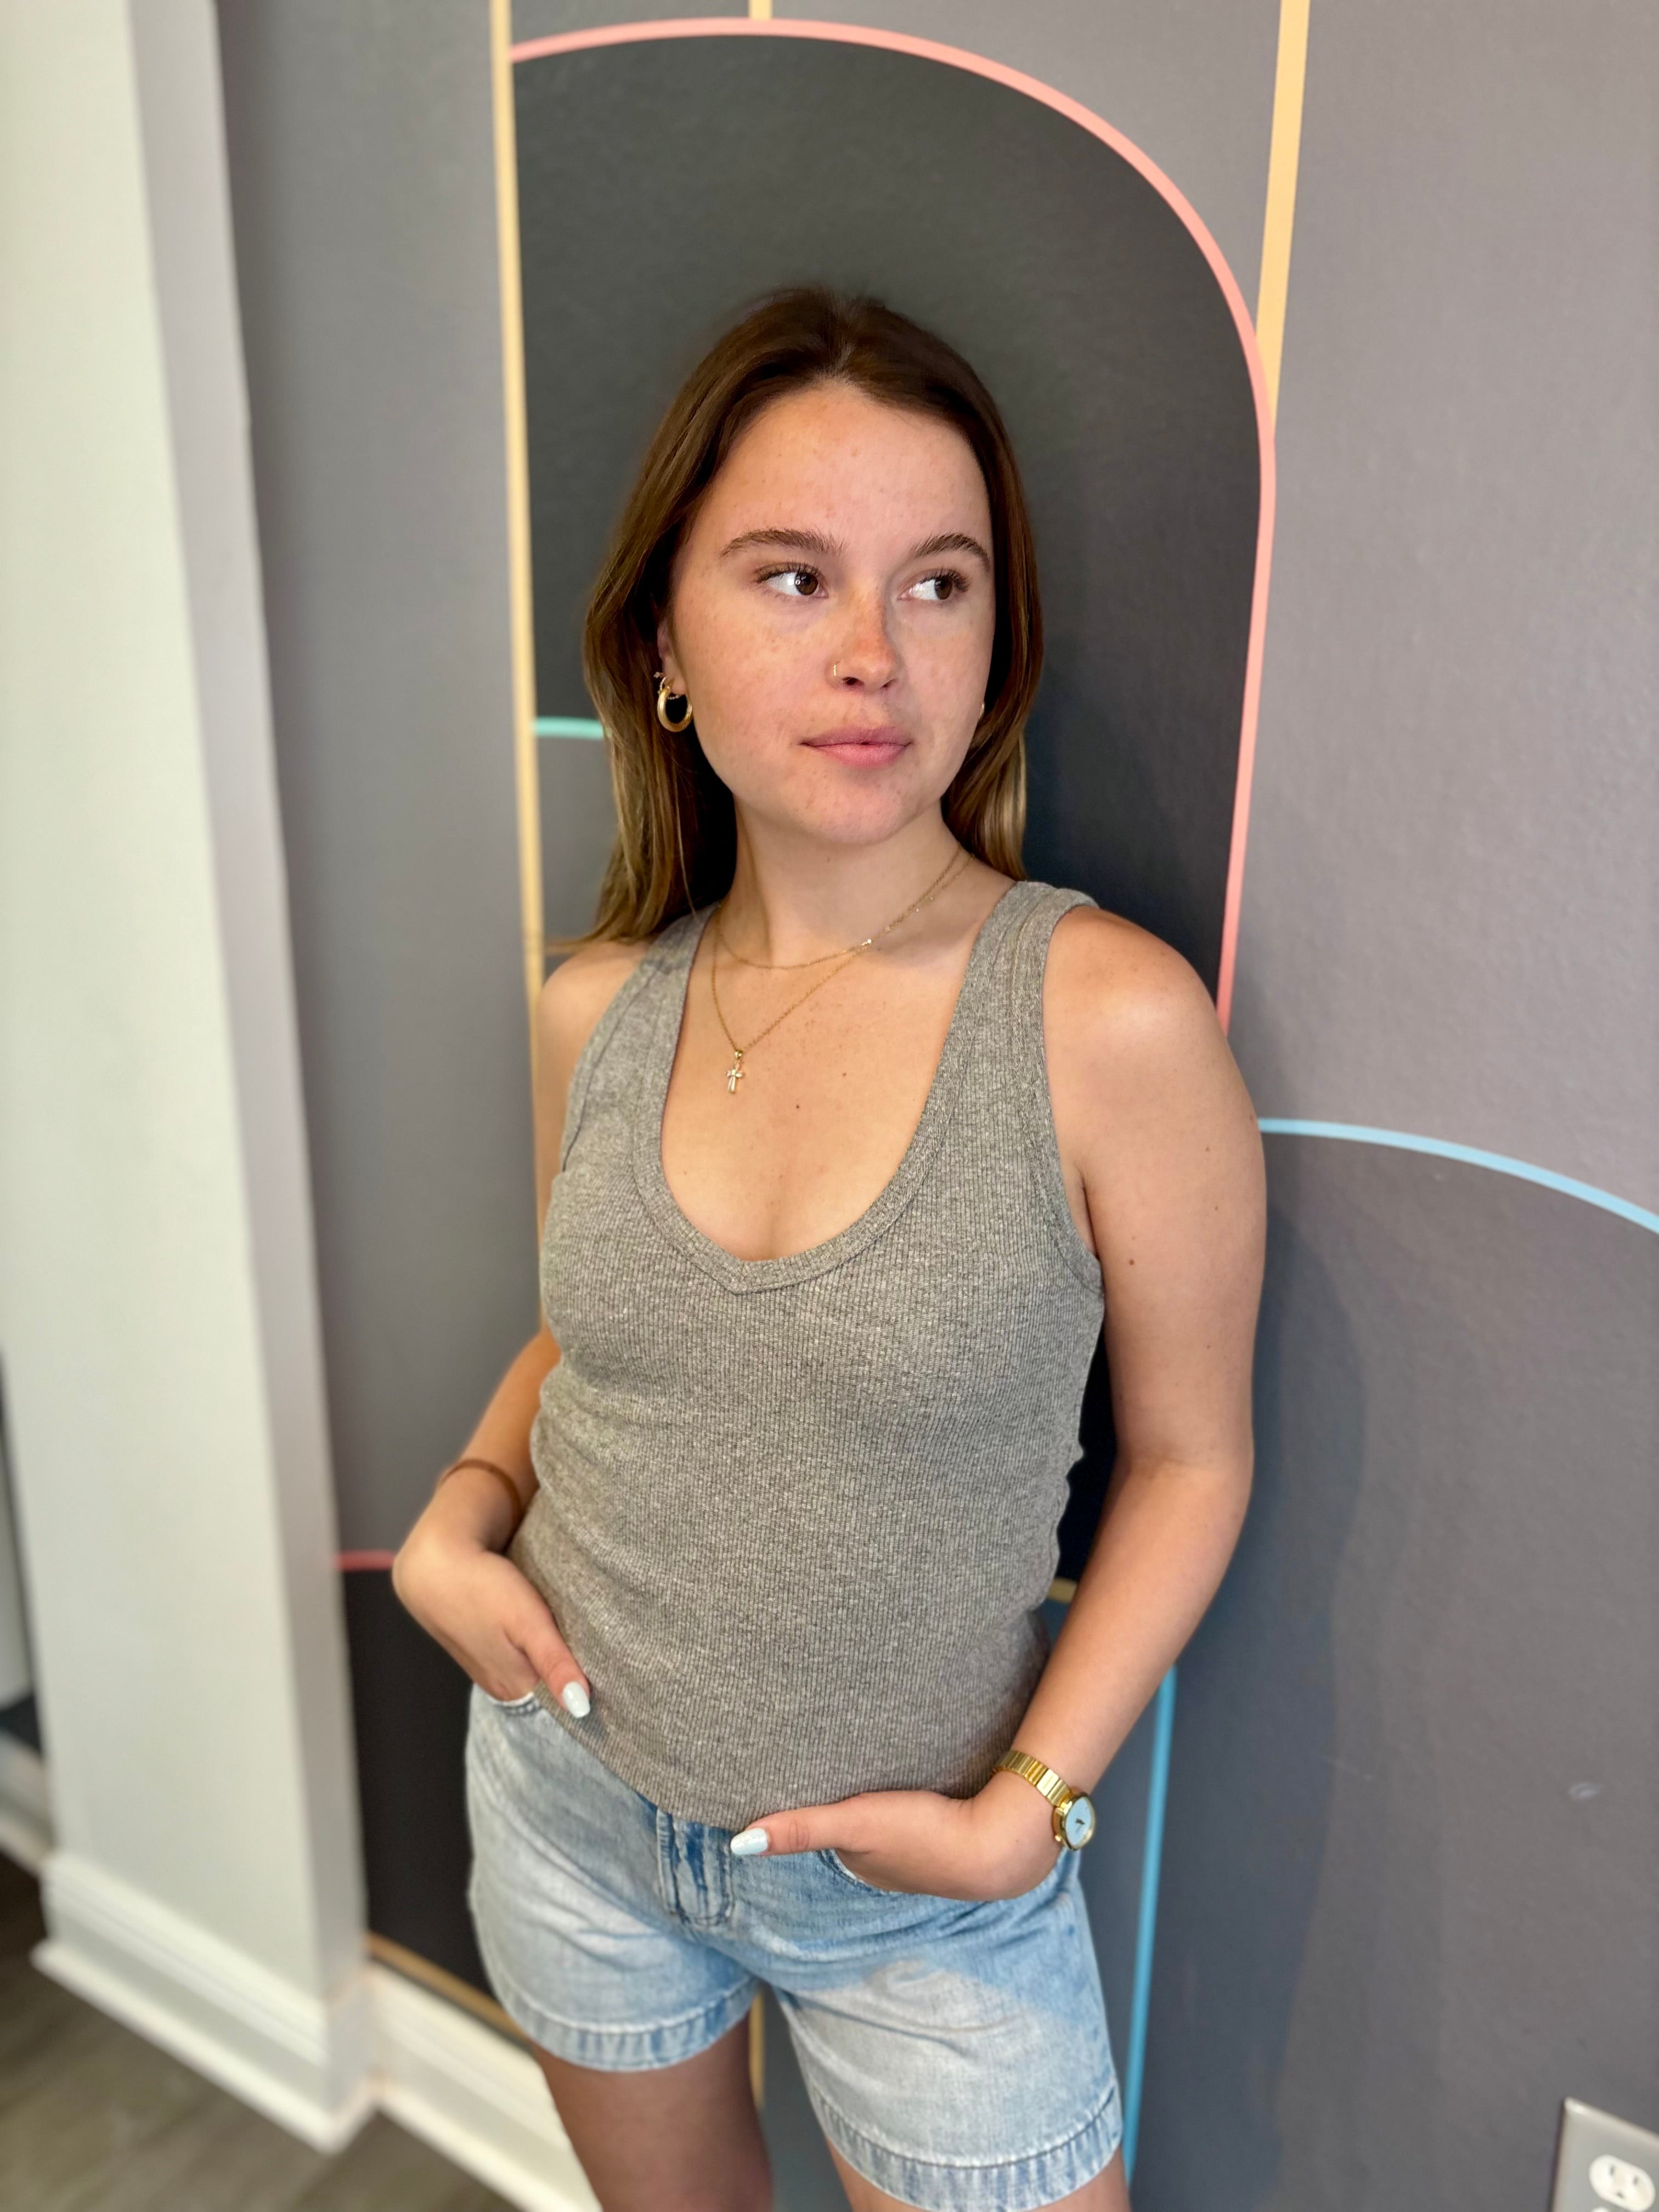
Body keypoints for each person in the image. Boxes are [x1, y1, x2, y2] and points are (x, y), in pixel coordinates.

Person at [393, 287, 1265, 2212]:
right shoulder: (594, 1007)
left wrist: (1030, 1813)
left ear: (993, 647)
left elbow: (1194, 1459)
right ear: (664, 642)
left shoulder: (1107, 1023)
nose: (876, 652)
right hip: (569, 1804)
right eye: (794, 577)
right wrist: (460, 1518)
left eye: (938, 584)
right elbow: (598, 1342)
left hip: (924, 1896)